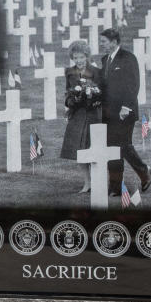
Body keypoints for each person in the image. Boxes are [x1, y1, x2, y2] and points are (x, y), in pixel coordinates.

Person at [98, 27, 150, 195]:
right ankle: (115, 187)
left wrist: (126, 107)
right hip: (108, 113)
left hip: (124, 112)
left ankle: (143, 171)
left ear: (114, 42)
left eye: (104, 42)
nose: (102, 45)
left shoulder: (128, 58)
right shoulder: (105, 59)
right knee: (111, 148)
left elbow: (134, 84)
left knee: (123, 145)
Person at [59, 40, 102, 193]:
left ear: (87, 56)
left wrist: (92, 97)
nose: (79, 61)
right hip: (77, 114)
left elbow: (101, 93)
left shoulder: (96, 71)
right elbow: (67, 92)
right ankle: (87, 183)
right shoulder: (69, 72)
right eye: (76, 58)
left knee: (93, 147)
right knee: (79, 150)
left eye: (81, 57)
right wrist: (71, 100)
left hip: (93, 114)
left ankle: (98, 179)